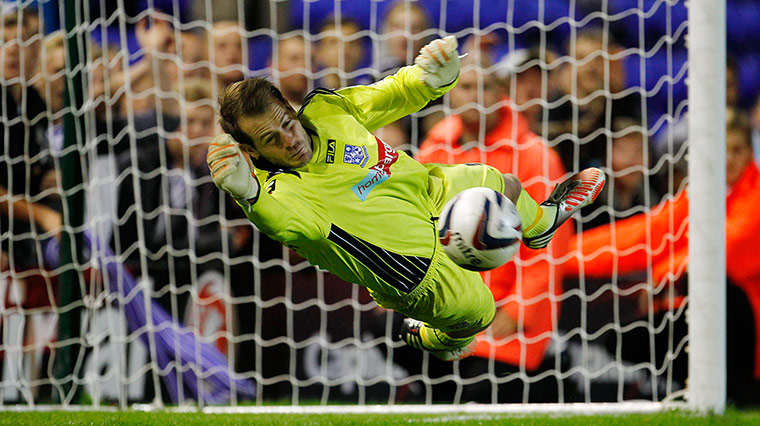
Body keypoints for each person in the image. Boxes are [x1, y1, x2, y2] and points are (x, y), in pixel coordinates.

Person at [207, 36, 606, 361]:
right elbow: (288, 225)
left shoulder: (326, 111)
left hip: (429, 194)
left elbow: (389, 93)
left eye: (287, 124)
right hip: (411, 268)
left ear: (291, 109)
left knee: (499, 181)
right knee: (478, 313)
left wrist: (431, 77)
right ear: (253, 153)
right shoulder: (279, 191)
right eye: (270, 140)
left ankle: (538, 225)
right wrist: (250, 196)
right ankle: (437, 338)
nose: (290, 140)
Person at [564, 108, 760, 405]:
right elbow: (644, 235)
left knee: (719, 290)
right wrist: (559, 254)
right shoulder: (704, 194)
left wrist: (660, 277)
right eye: (722, 149)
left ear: (750, 151)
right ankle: (701, 391)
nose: (729, 158)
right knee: (626, 337)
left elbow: (725, 250)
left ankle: (735, 391)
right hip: (711, 313)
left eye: (737, 149)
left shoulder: (755, 195)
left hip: (748, 321)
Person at [417, 52, 569, 401]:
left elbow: (547, 242)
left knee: (476, 399)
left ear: (500, 93)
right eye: (466, 86)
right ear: (450, 95)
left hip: (507, 314)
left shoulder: (535, 156)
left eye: (485, 87)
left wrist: (518, 309)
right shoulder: (432, 151)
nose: (476, 95)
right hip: (448, 305)